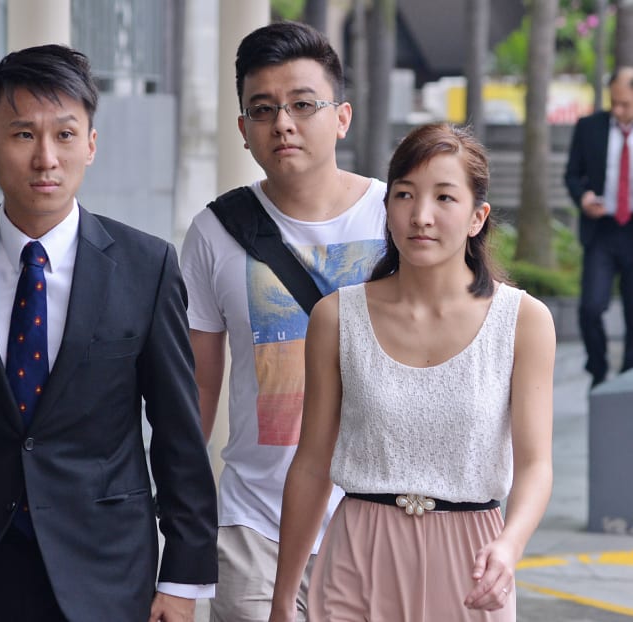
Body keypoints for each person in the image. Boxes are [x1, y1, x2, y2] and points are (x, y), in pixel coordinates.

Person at [0, 44, 218, 622]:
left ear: (90, 143)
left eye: (64, 135)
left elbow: (178, 435)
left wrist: (183, 578)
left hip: (104, 567)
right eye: (22, 135)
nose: (45, 159)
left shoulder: (147, 265)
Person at [269, 123, 555, 621]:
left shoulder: (524, 321)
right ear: (387, 208)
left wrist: (510, 545)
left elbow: (536, 464)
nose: (420, 216)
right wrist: (281, 601)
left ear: (476, 217)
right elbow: (312, 463)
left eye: (445, 198)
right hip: (358, 553)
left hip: (472, 561)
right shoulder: (337, 317)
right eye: (405, 195)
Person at [180, 21, 386, 622]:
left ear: (341, 117)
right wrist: (182, 517)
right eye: (263, 109)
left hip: (373, 519)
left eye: (303, 104)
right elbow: (199, 385)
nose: (283, 123)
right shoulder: (214, 232)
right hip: (253, 524)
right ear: (243, 130)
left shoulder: (396, 215)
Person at [564, 66, 633, 388]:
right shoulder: (589, 127)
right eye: (614, 102)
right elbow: (571, 175)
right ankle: (598, 368)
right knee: (591, 307)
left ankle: (628, 376)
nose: (618, 110)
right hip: (602, 230)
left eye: (625, 104)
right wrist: (583, 198)